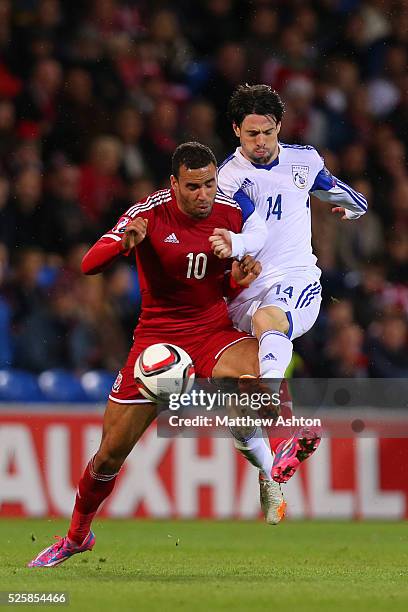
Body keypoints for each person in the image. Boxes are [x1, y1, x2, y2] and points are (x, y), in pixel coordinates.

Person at [28, 142, 284, 569]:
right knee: (109, 454)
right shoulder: (148, 213)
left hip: (211, 330)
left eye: (209, 184)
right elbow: (90, 264)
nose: (203, 195)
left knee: (259, 381)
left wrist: (238, 281)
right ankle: (76, 537)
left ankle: (270, 459)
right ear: (174, 184)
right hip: (157, 342)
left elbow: (223, 283)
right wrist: (122, 244)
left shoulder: (231, 212)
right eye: (192, 187)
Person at [211, 84, 368, 485]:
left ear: (279, 126)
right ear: (236, 131)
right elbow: (251, 232)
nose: (260, 142)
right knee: (238, 408)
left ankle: (287, 430)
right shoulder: (228, 179)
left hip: (297, 282)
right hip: (245, 293)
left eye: (267, 132)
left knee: (269, 320)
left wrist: (349, 213)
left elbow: (354, 200)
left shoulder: (304, 161)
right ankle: (272, 477)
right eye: (251, 134)